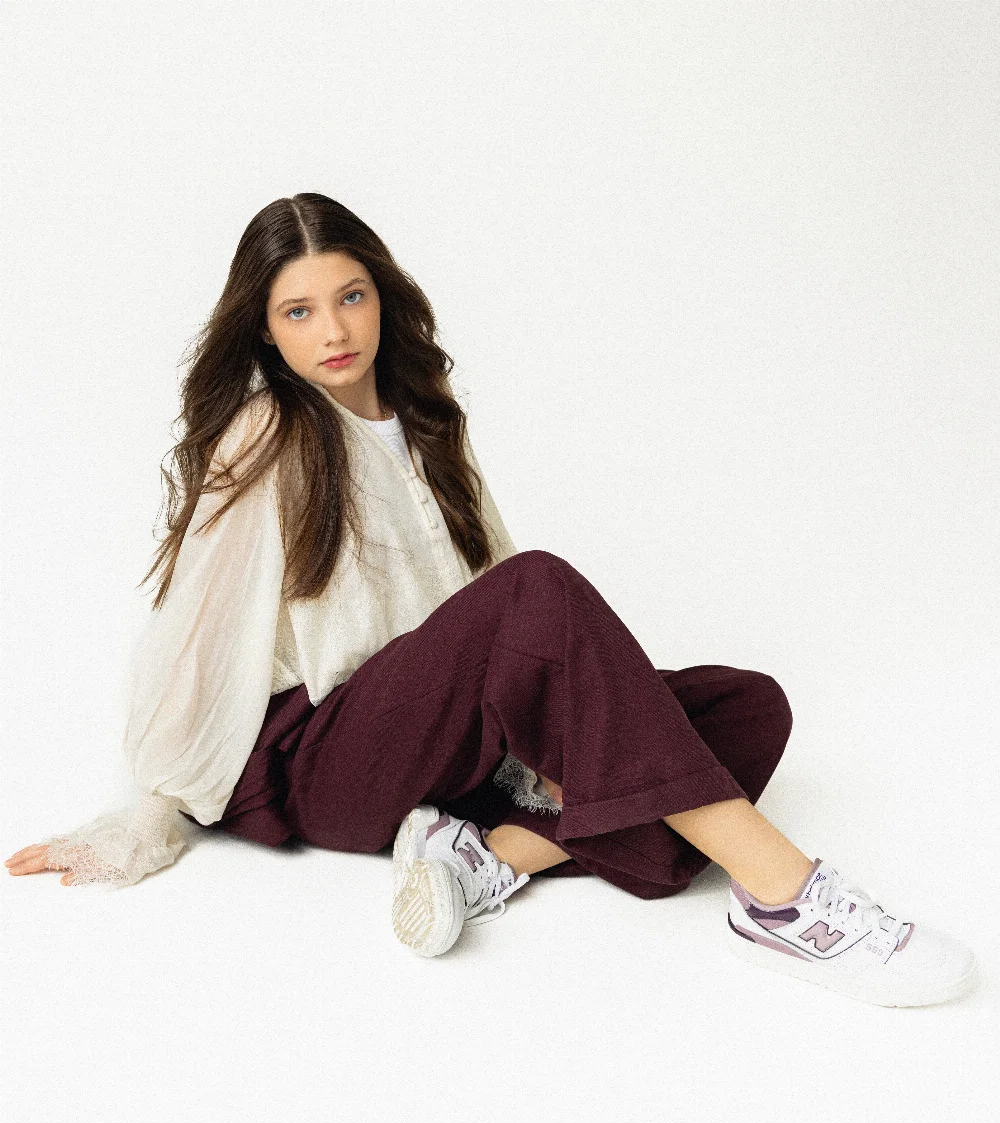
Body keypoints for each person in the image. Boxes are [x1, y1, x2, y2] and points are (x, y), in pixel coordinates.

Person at [4, 193, 975, 1009]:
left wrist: (546, 738)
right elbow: (196, 637)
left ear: (382, 297)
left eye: (350, 297)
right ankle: (783, 900)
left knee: (746, 705)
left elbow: (488, 599)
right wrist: (150, 811)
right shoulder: (269, 432)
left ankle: (484, 858)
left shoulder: (428, 423)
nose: (333, 331)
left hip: (444, 745)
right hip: (332, 765)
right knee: (540, 589)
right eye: (298, 311)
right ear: (264, 328)